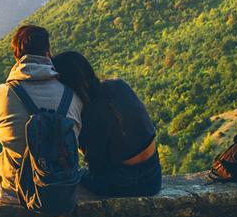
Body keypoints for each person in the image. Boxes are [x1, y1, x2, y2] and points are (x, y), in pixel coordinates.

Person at [0, 25, 83, 203]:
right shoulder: (72, 96)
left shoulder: (1, 94)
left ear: (16, 55)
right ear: (48, 52)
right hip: (61, 188)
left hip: (13, 191)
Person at [52, 51, 161, 197]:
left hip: (128, 183)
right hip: (154, 175)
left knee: (73, 176)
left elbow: (97, 168)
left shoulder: (88, 113)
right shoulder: (118, 85)